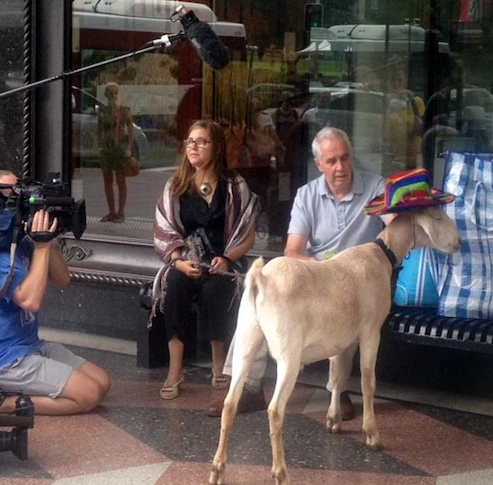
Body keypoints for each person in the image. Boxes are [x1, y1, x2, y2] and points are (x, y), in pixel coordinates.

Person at [206, 127, 392, 418]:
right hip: (316, 278)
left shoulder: (375, 188)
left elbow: (394, 227)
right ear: (319, 165)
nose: (340, 167)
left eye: (345, 158)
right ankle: (248, 387)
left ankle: (337, 391)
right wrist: (315, 267)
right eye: (331, 161)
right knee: (263, 303)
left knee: (350, 307)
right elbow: (292, 251)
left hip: (357, 282)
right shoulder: (307, 195)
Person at [0, 169, 111, 415]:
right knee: (88, 395)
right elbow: (30, 301)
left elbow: (63, 278)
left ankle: (14, 392)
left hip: (31, 346)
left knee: (102, 383)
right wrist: (42, 247)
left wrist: (49, 240)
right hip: (4, 361)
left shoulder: (22, 241)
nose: (21, 200)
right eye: (12, 194)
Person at [152, 119, 258, 400]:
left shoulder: (235, 186)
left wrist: (226, 258)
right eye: (190, 141)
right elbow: (164, 228)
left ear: (217, 147)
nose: (193, 147)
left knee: (217, 288)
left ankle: (219, 365)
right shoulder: (176, 185)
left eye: (201, 141)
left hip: (223, 261)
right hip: (187, 261)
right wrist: (178, 261)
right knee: (174, 284)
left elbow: (248, 234)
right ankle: (175, 369)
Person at [97, 82, 134, 223]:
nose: (113, 96)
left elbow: (130, 129)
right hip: (107, 148)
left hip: (119, 149)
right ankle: (111, 211)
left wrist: (129, 148)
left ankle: (121, 212)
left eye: (115, 93)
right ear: (107, 95)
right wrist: (100, 145)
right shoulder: (103, 110)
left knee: (120, 180)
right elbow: (99, 129)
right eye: (110, 93)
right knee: (107, 180)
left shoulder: (123, 110)